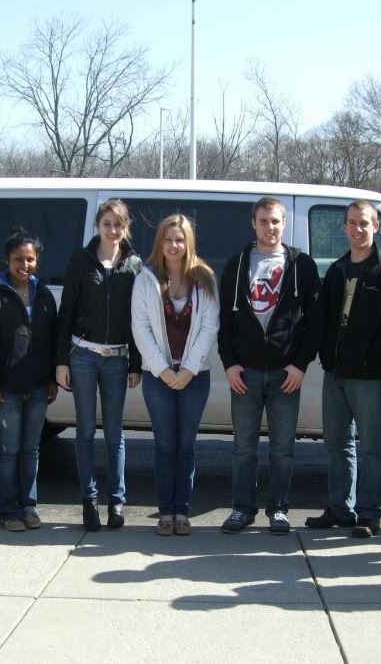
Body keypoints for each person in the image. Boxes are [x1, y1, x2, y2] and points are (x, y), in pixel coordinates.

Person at [218, 197, 322, 535]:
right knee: (243, 448)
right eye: (263, 221)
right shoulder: (236, 264)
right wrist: (230, 364)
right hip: (244, 373)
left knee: (282, 449)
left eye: (275, 221)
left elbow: (314, 322)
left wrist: (300, 365)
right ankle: (241, 509)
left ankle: (278, 509)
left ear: (285, 222)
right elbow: (225, 321)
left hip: (285, 374)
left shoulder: (301, 265)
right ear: (253, 223)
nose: (270, 227)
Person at [309, 200, 381, 537]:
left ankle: (369, 514)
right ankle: (340, 508)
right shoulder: (336, 270)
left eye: (364, 223)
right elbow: (323, 319)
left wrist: (371, 354)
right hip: (335, 373)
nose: (357, 229)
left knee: (372, 447)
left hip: (369, 376)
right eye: (352, 223)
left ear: (376, 226)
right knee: (337, 444)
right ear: (344, 228)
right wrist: (325, 355)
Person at [56, 200, 142, 532]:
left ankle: (116, 501)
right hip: (83, 354)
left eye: (118, 224)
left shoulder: (134, 264)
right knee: (86, 431)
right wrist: (61, 360)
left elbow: (139, 319)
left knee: (115, 433)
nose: (113, 230)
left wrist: (136, 363)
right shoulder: (81, 260)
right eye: (107, 223)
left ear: (126, 226)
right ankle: (88, 500)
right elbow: (67, 311)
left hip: (118, 359)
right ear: (98, 225)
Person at [131, 214, 219, 536]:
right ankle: (165, 512)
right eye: (168, 239)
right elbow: (140, 329)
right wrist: (164, 370)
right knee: (165, 444)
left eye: (179, 239)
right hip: (158, 377)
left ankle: (182, 511)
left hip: (196, 376)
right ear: (160, 243)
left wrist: (189, 369)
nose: (173, 245)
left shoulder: (205, 278)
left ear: (188, 243)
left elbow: (210, 326)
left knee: (186, 445)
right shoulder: (145, 279)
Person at [0, 227, 58, 532]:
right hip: (4, 390)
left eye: (30, 259)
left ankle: (29, 506)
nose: (25, 265)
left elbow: (50, 340)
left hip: (37, 388)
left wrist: (51, 380)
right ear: (7, 260)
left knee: (31, 449)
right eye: (18, 259)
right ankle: (8, 510)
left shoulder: (44, 295)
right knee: (7, 452)